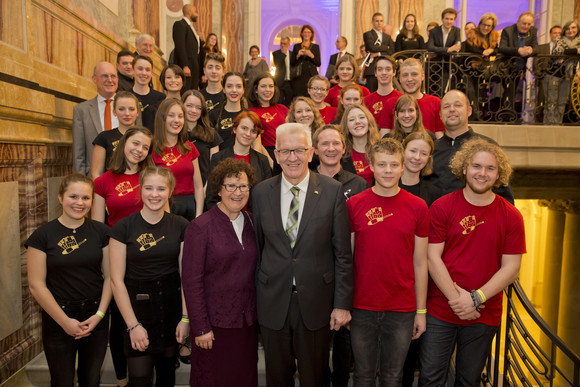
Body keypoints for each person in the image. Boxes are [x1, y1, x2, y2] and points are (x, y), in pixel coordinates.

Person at [251, 122, 353, 387]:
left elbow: (342, 253)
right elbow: (258, 250)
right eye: (285, 151)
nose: (292, 157)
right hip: (273, 302)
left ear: (311, 153)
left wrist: (341, 304)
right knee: (277, 378)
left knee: (314, 378)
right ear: (276, 155)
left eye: (299, 150)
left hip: (316, 303)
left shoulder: (332, 192)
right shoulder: (260, 193)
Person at [418, 138, 526, 386]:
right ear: (464, 168)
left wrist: (475, 298)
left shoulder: (511, 216)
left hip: (483, 312)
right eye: (477, 166)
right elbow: (432, 257)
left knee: (469, 380)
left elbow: (511, 267)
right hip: (441, 310)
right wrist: (458, 301)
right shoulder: (442, 207)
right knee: (430, 378)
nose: (482, 173)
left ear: (499, 174)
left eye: (490, 169)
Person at [347, 138, 429, 387]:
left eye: (394, 165)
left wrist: (421, 311)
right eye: (382, 164)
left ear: (403, 166)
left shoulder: (418, 207)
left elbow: (421, 262)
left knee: (394, 376)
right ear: (371, 165)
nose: (388, 171)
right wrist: (344, 305)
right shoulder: (354, 204)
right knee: (363, 375)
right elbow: (347, 261)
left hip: (401, 308)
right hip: (362, 306)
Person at [26, 174, 111, 387]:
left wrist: (99, 315)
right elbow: (37, 285)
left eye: (86, 197)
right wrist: (65, 321)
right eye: (73, 196)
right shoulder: (42, 236)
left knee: (91, 380)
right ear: (60, 197)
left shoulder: (102, 232)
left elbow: (111, 277)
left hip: (95, 317)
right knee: (62, 381)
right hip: (58, 318)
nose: (80, 203)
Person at [109, 167, 190, 387]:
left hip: (170, 307)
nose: (155, 194)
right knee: (140, 378)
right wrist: (132, 325)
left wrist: (185, 318)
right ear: (140, 189)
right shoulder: (122, 227)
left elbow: (186, 276)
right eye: (149, 188)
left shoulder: (181, 225)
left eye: (161, 188)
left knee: (166, 375)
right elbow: (116, 281)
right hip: (137, 308)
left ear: (170, 191)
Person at [183, 158, 259, 387]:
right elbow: (191, 282)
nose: (238, 192)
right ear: (218, 189)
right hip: (213, 328)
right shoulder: (200, 227)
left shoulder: (252, 222)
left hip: (246, 324)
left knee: (244, 378)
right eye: (231, 186)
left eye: (243, 186)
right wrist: (201, 327)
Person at [92, 126, 153, 387]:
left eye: (145, 147)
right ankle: (121, 379)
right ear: (124, 143)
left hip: (148, 255)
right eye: (135, 143)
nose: (139, 150)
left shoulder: (152, 177)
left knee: (148, 314)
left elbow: (164, 218)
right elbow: (96, 225)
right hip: (116, 254)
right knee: (118, 322)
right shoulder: (103, 181)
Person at [313, 125, 368, 387]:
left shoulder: (359, 184)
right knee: (318, 338)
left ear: (344, 149)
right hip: (316, 271)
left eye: (336, 144)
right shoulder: (306, 181)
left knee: (347, 339)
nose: (331, 148)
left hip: (351, 271)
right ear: (314, 150)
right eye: (325, 144)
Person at [399, 130, 441, 387]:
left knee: (408, 357)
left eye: (423, 153)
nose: (417, 157)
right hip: (385, 278)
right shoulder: (383, 183)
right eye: (412, 151)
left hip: (417, 282)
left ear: (429, 159)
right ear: (403, 152)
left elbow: (434, 246)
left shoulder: (434, 193)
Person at [424, 90, 514, 203]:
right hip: (435, 218)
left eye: (458, 105)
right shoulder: (430, 150)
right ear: (440, 115)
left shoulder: (488, 146)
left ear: (469, 111)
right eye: (446, 107)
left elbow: (504, 195)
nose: (452, 109)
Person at [206, 111, 272, 209]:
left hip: (253, 219)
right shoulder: (218, 158)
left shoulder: (262, 160)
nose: (248, 134)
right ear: (235, 129)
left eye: (253, 131)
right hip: (224, 219)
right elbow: (211, 197)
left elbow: (267, 196)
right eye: (244, 128)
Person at [152, 98, 204, 220]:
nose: (176, 120)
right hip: (166, 208)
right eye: (171, 115)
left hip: (192, 207)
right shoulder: (152, 150)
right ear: (162, 118)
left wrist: (199, 215)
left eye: (180, 116)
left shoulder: (190, 148)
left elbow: (198, 186)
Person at [73, 61, 119, 176]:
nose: (110, 80)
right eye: (104, 76)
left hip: (123, 176)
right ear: (94, 79)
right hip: (94, 178)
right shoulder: (81, 110)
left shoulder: (130, 107)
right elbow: (78, 152)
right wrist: (80, 181)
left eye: (113, 76)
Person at [382, 58, 445, 138]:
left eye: (414, 74)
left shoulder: (435, 102)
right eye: (405, 75)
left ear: (422, 76)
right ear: (400, 78)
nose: (409, 79)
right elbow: (383, 139)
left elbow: (439, 136)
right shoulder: (390, 103)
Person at [91, 91, 141, 180]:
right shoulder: (103, 138)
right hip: (111, 191)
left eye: (131, 109)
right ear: (114, 112)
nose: (127, 113)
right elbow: (96, 174)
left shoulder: (145, 138)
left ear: (137, 112)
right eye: (121, 109)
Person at [463, 13, 500, 119]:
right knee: (472, 94)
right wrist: (484, 51)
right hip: (471, 68)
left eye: (489, 26)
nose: (486, 28)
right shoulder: (472, 33)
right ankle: (473, 116)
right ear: (480, 24)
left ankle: (480, 115)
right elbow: (470, 48)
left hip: (486, 70)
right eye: (484, 25)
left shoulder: (494, 35)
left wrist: (491, 50)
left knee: (481, 94)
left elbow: (497, 49)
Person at [182, 89, 223, 185]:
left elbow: (214, 167)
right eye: (189, 106)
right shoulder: (175, 134)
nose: (193, 111)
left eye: (198, 107)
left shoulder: (211, 134)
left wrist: (205, 190)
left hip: (205, 187)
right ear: (181, 106)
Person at [544, 20, 580, 124]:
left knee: (562, 102)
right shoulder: (559, 39)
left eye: (573, 28)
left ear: (577, 29)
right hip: (554, 74)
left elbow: (563, 52)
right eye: (568, 28)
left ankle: (557, 125)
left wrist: (566, 54)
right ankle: (549, 126)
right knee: (551, 102)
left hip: (569, 76)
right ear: (564, 30)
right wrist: (576, 51)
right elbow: (557, 52)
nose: (570, 30)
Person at [248, 73, 289, 158]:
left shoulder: (283, 108)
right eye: (263, 86)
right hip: (265, 153)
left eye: (271, 86)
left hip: (286, 151)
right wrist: (270, 161)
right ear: (256, 90)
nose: (268, 90)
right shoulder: (250, 112)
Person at [341, 104, 380, 185]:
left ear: (369, 121)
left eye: (362, 117)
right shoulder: (341, 154)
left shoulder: (382, 150)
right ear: (346, 126)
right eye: (351, 119)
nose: (357, 122)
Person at [426, 8, 462, 96]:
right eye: (447, 19)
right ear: (442, 19)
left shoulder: (456, 31)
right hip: (432, 65)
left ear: (454, 20)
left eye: (451, 19)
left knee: (440, 92)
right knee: (429, 92)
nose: (449, 21)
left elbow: (457, 47)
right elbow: (430, 47)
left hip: (446, 66)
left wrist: (439, 49)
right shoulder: (434, 31)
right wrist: (448, 49)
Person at [209, 72, 248, 150]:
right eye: (229, 86)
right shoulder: (213, 115)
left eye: (238, 86)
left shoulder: (250, 116)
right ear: (223, 89)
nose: (234, 90)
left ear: (243, 90)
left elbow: (256, 146)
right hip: (220, 161)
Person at [364, 55, 403, 131]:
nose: (384, 73)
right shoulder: (366, 101)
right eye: (380, 69)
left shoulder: (401, 99)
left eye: (388, 69)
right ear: (375, 73)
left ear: (394, 72)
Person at [130, 55, 165, 133]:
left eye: (147, 70)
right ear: (132, 70)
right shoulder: (125, 97)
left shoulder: (161, 98)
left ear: (152, 73)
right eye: (140, 69)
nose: (144, 73)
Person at [172, 4, 202, 90]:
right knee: (185, 91)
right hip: (187, 66)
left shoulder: (190, 27)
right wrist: (185, 65)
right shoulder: (180, 24)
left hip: (193, 65)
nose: (197, 15)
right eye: (195, 12)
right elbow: (180, 46)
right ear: (189, 12)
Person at [363, 13, 395, 92]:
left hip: (385, 69)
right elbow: (371, 47)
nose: (379, 23)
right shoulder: (368, 34)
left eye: (381, 21)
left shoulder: (387, 36)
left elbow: (392, 51)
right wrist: (386, 48)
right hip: (371, 69)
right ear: (372, 22)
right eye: (377, 21)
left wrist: (379, 54)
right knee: (372, 92)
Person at [291, 24, 321, 97]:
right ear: (301, 33)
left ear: (311, 34)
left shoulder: (315, 47)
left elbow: (318, 63)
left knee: (311, 97)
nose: (306, 34)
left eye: (308, 32)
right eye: (305, 32)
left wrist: (311, 55)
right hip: (299, 76)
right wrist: (298, 55)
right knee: (299, 96)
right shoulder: (296, 46)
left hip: (311, 76)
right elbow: (292, 63)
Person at [272, 36, 294, 106]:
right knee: (279, 102)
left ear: (288, 44)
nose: (283, 45)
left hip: (290, 82)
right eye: (281, 43)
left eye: (285, 44)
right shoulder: (276, 53)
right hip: (280, 81)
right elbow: (277, 64)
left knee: (288, 103)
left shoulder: (292, 54)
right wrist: (283, 54)